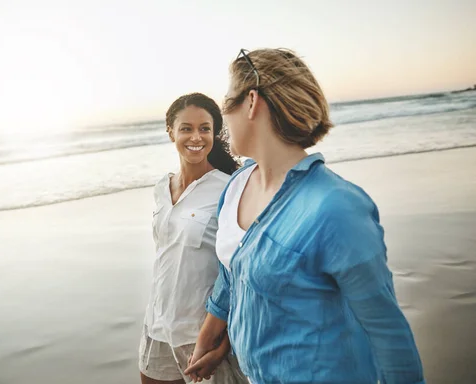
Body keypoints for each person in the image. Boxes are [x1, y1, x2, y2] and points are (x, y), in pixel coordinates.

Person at [185, 49, 425, 384]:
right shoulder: (237, 184)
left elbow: (388, 334)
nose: (224, 116)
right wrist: (209, 340)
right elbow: (233, 272)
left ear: (252, 102)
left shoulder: (336, 208)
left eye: (227, 103)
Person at [139, 93, 246, 384]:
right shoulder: (162, 187)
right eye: (186, 128)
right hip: (157, 328)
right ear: (170, 131)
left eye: (204, 128)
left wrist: (224, 344)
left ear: (214, 133)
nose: (196, 137)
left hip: (202, 336)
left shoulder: (230, 188)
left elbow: (239, 273)